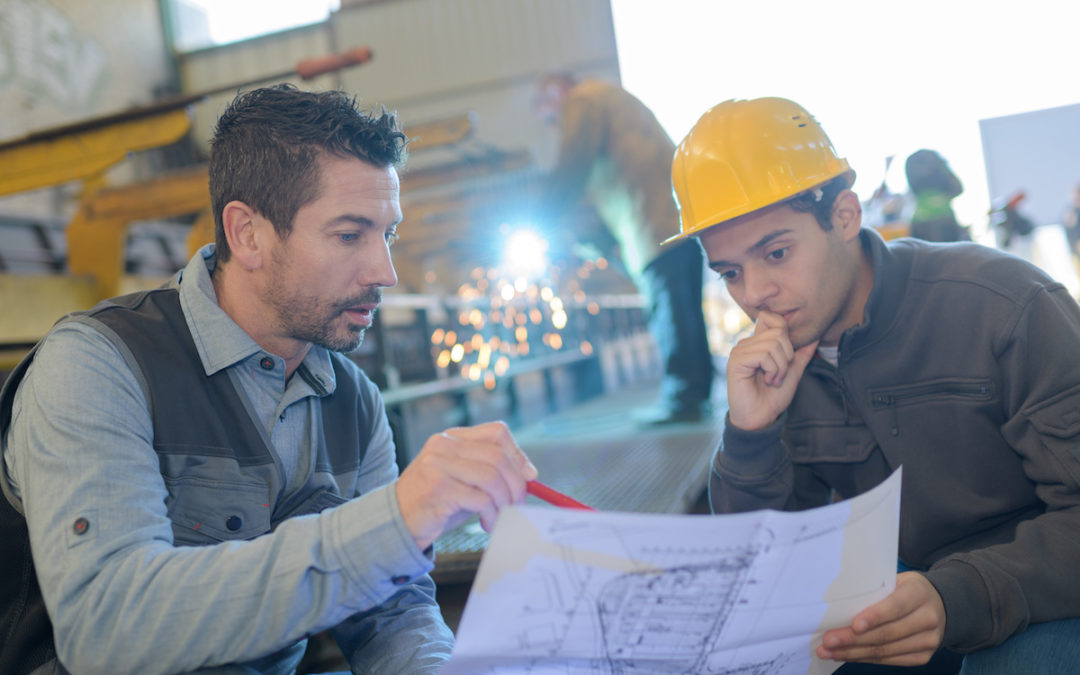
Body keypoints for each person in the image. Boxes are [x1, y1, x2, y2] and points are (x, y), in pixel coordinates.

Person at [0, 84, 539, 675]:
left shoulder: (354, 402)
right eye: (348, 234)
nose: (384, 271)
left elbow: (393, 612)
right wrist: (394, 522)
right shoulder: (97, 364)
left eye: (388, 234)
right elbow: (107, 627)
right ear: (247, 234)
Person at [666, 97, 1080, 673]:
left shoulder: (1002, 307)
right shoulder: (777, 368)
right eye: (731, 272)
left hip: (1044, 590)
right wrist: (750, 436)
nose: (755, 292)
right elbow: (763, 573)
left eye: (776, 253)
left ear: (844, 216)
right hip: (913, 587)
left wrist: (955, 596)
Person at [533, 72, 713, 425]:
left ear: (557, 95)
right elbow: (595, 192)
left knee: (670, 308)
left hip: (655, 222)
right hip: (673, 217)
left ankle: (683, 398)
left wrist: (539, 218)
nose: (556, 125)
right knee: (683, 309)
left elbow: (573, 165)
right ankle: (694, 392)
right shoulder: (609, 104)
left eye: (551, 117)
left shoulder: (583, 101)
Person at [904, 149, 969, 243]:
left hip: (920, 222)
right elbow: (958, 189)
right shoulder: (942, 170)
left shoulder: (912, 165)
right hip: (944, 220)